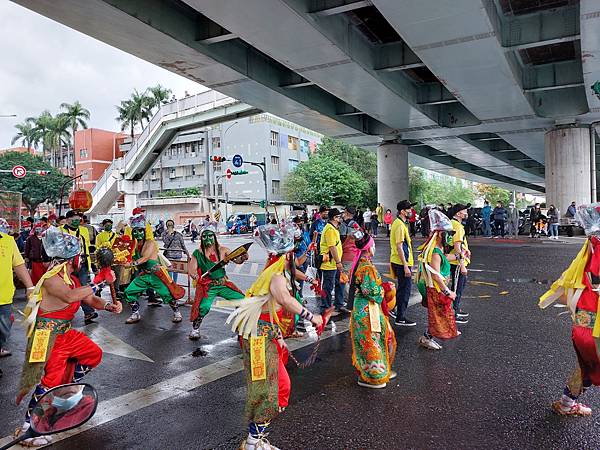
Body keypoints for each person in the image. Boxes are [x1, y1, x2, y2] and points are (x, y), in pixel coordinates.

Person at [15, 226, 122, 447]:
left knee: (93, 354)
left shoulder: (71, 278)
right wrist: (100, 280)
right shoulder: (52, 279)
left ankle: (66, 390)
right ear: (72, 258)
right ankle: (29, 426)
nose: (80, 260)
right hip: (47, 336)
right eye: (79, 256)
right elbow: (70, 296)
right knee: (48, 382)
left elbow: (90, 300)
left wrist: (109, 305)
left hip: (65, 333)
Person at [221, 222, 323, 450]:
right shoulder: (277, 273)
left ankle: (255, 439)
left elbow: (277, 298)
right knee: (274, 388)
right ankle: (253, 442)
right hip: (258, 337)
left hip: (264, 333)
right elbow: (285, 299)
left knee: (273, 386)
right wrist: (311, 316)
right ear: (289, 252)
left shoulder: (277, 267)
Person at [539, 204, 600, 416]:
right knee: (590, 364)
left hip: (585, 315)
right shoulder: (597, 249)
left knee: (586, 365)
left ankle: (566, 403)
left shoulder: (591, 245)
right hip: (594, 318)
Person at [349, 227, 397, 388]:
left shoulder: (361, 264)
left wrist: (381, 285)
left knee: (370, 339)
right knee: (371, 341)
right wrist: (385, 288)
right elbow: (371, 291)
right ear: (369, 248)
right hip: (367, 309)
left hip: (363, 308)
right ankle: (373, 376)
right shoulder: (366, 267)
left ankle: (375, 372)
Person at [188, 227, 247, 340]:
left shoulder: (223, 250)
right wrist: (195, 276)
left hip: (223, 284)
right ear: (201, 238)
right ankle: (195, 328)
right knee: (203, 307)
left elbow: (237, 260)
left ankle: (240, 327)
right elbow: (192, 269)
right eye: (204, 236)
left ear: (214, 237)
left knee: (242, 300)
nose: (207, 238)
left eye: (210, 236)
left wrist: (243, 258)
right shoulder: (197, 253)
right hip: (209, 286)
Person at [123, 213, 183, 324]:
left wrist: (131, 264)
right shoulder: (134, 245)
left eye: (140, 230)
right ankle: (135, 313)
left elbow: (145, 258)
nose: (138, 233)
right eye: (135, 231)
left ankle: (177, 312)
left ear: (144, 232)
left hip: (156, 275)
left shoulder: (150, 243)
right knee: (129, 292)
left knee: (167, 294)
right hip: (144, 275)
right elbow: (128, 257)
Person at [416, 209, 460, 350]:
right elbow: (435, 274)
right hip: (435, 288)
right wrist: (448, 292)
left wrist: (459, 256)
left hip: (436, 287)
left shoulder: (438, 248)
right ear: (441, 234)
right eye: (450, 234)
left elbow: (445, 258)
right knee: (438, 314)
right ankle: (426, 338)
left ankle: (429, 336)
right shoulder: (435, 251)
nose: (451, 237)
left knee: (439, 313)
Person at [0, 219, 34, 366]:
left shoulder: (7, 241)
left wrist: (30, 287)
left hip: (4, 297)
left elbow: (19, 265)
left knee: (3, 332)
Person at [61, 211, 96, 324]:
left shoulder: (84, 230)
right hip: (68, 266)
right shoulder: (60, 230)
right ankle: (64, 314)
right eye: (73, 219)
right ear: (67, 220)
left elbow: (87, 244)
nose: (77, 221)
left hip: (83, 264)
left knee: (83, 288)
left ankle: (88, 312)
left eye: (78, 219)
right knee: (67, 289)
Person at [390, 200, 417, 326]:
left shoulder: (399, 223)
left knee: (402, 288)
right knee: (405, 290)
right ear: (402, 211)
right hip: (402, 262)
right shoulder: (400, 225)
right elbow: (400, 246)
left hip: (399, 261)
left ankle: (396, 311)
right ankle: (400, 317)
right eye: (409, 209)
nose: (410, 211)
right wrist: (406, 265)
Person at [320, 208, 347, 316]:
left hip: (334, 263)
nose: (341, 218)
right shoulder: (330, 230)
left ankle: (339, 305)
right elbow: (332, 247)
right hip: (329, 263)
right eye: (339, 216)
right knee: (328, 286)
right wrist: (338, 262)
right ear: (335, 218)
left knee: (340, 283)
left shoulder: (334, 228)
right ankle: (325, 308)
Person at [448, 204, 471, 324]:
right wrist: (462, 265)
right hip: (456, 262)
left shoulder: (452, 223)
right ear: (458, 213)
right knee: (457, 288)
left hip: (453, 260)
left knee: (456, 287)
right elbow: (457, 246)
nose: (466, 213)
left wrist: (466, 249)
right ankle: (454, 313)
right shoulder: (457, 226)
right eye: (464, 211)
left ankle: (455, 309)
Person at [340, 207, 358, 309]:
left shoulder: (343, 225)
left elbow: (341, 239)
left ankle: (350, 301)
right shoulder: (356, 225)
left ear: (346, 213)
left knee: (344, 279)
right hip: (355, 255)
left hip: (346, 254)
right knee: (351, 278)